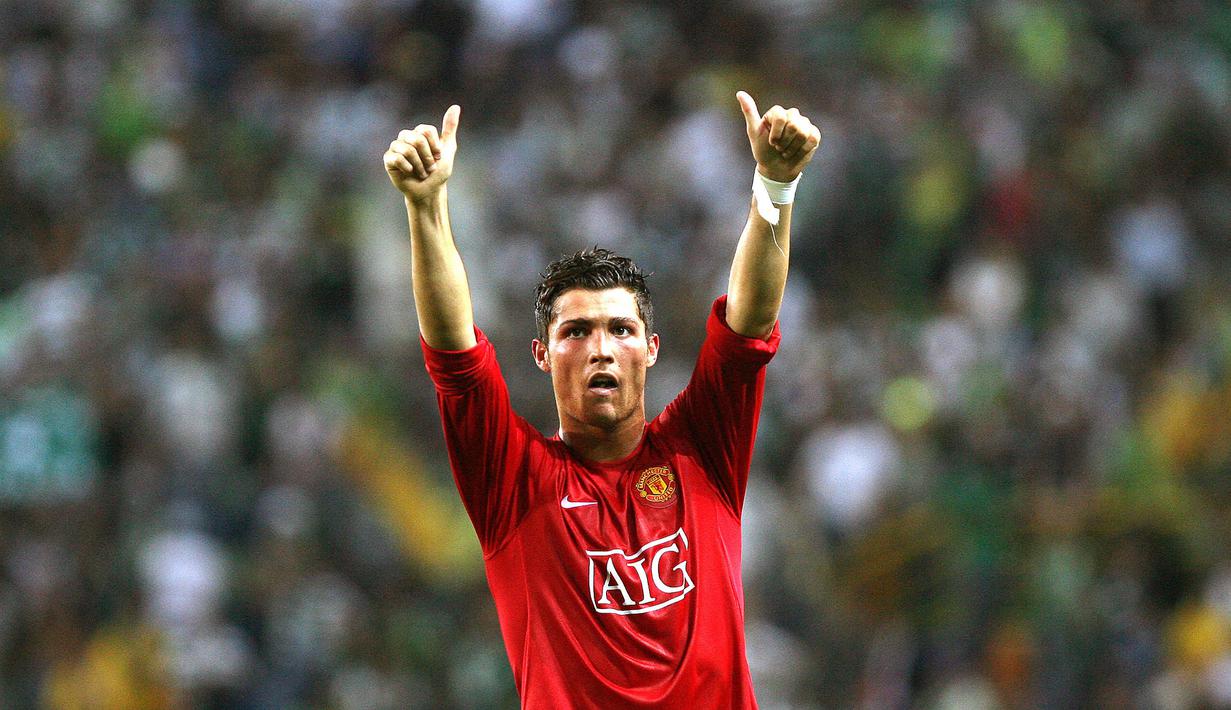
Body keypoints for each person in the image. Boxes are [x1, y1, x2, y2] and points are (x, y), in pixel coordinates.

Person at [382, 92, 820, 709]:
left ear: (652, 349)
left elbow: (751, 320)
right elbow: (454, 354)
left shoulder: (704, 449)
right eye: (576, 331)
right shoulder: (514, 482)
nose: (601, 348)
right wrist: (426, 207)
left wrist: (776, 185)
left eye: (620, 329)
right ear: (541, 354)